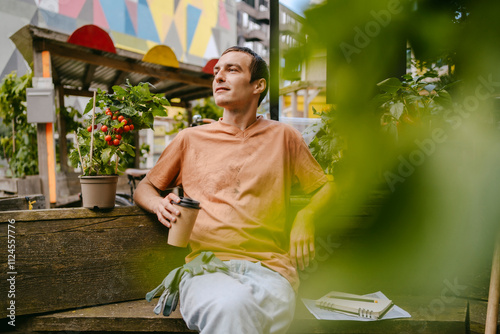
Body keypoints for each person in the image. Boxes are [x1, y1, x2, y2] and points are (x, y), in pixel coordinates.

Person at [134, 46, 333, 334]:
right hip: (206, 269)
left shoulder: (285, 137)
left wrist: (307, 216)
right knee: (230, 307)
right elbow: (146, 187)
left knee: (237, 311)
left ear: (258, 86)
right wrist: (157, 205)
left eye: (232, 70)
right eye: (217, 71)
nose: (219, 77)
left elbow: (324, 188)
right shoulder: (189, 139)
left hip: (272, 271)